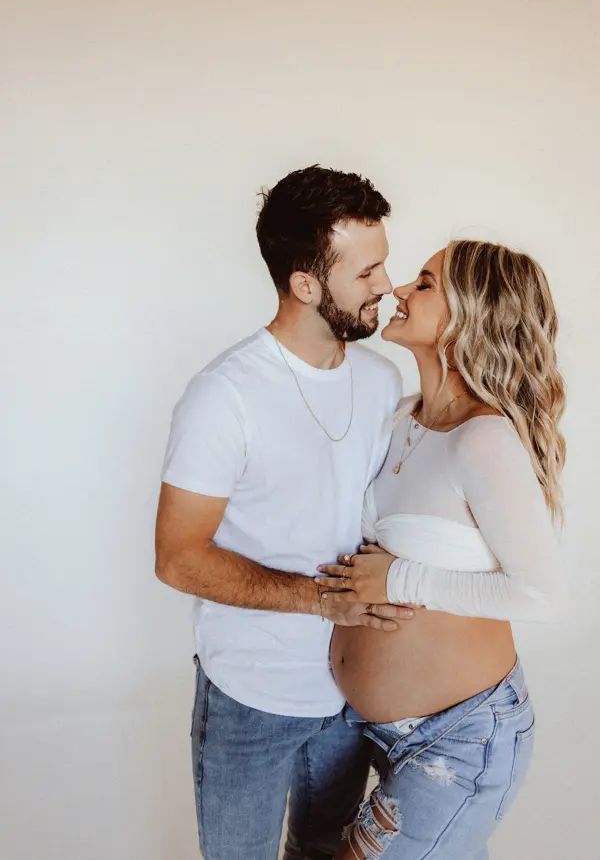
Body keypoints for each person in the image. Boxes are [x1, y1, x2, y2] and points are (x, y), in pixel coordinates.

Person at [155, 165, 414, 859]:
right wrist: (320, 600)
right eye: (366, 273)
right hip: (250, 695)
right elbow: (179, 557)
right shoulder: (224, 396)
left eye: (383, 265)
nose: (387, 285)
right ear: (305, 284)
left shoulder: (383, 378)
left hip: (350, 688)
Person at [317, 240, 566, 859]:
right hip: (362, 727)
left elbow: (541, 592)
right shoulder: (402, 417)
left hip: (459, 738)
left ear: (470, 313)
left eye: (424, 284)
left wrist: (400, 581)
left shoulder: (483, 440)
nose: (398, 289)